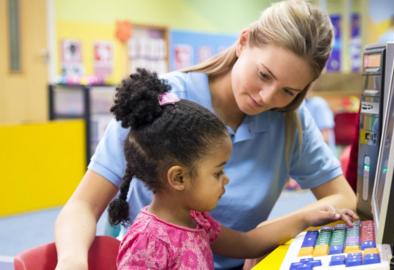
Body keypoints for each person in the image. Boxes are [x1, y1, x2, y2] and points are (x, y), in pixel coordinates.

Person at [54, 1, 357, 269]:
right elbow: (83, 205)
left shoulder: (291, 119)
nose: (267, 97)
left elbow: (343, 197)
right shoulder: (160, 101)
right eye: (264, 75)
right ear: (243, 42)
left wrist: (269, 233)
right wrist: (71, 262)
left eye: (289, 91)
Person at [109, 69, 356, 269]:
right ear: (179, 177)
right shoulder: (148, 240)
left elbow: (246, 243)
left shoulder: (197, 220)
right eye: (218, 172)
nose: (226, 180)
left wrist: (305, 218)